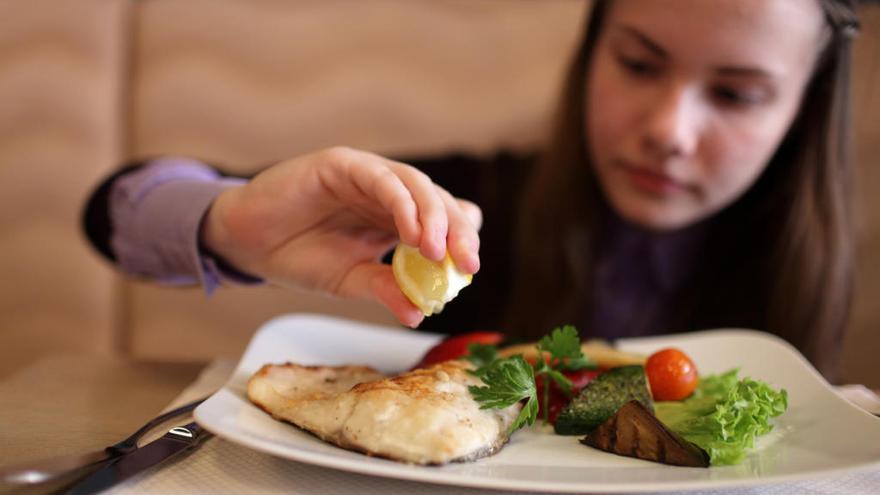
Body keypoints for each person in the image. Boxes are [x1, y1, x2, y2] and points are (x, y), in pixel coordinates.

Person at [82, 0, 861, 380]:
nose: (670, 129)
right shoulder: (458, 205)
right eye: (639, 63)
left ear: (802, 113)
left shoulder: (814, 275)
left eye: (736, 95)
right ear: (590, 52)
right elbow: (112, 209)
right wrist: (229, 222)